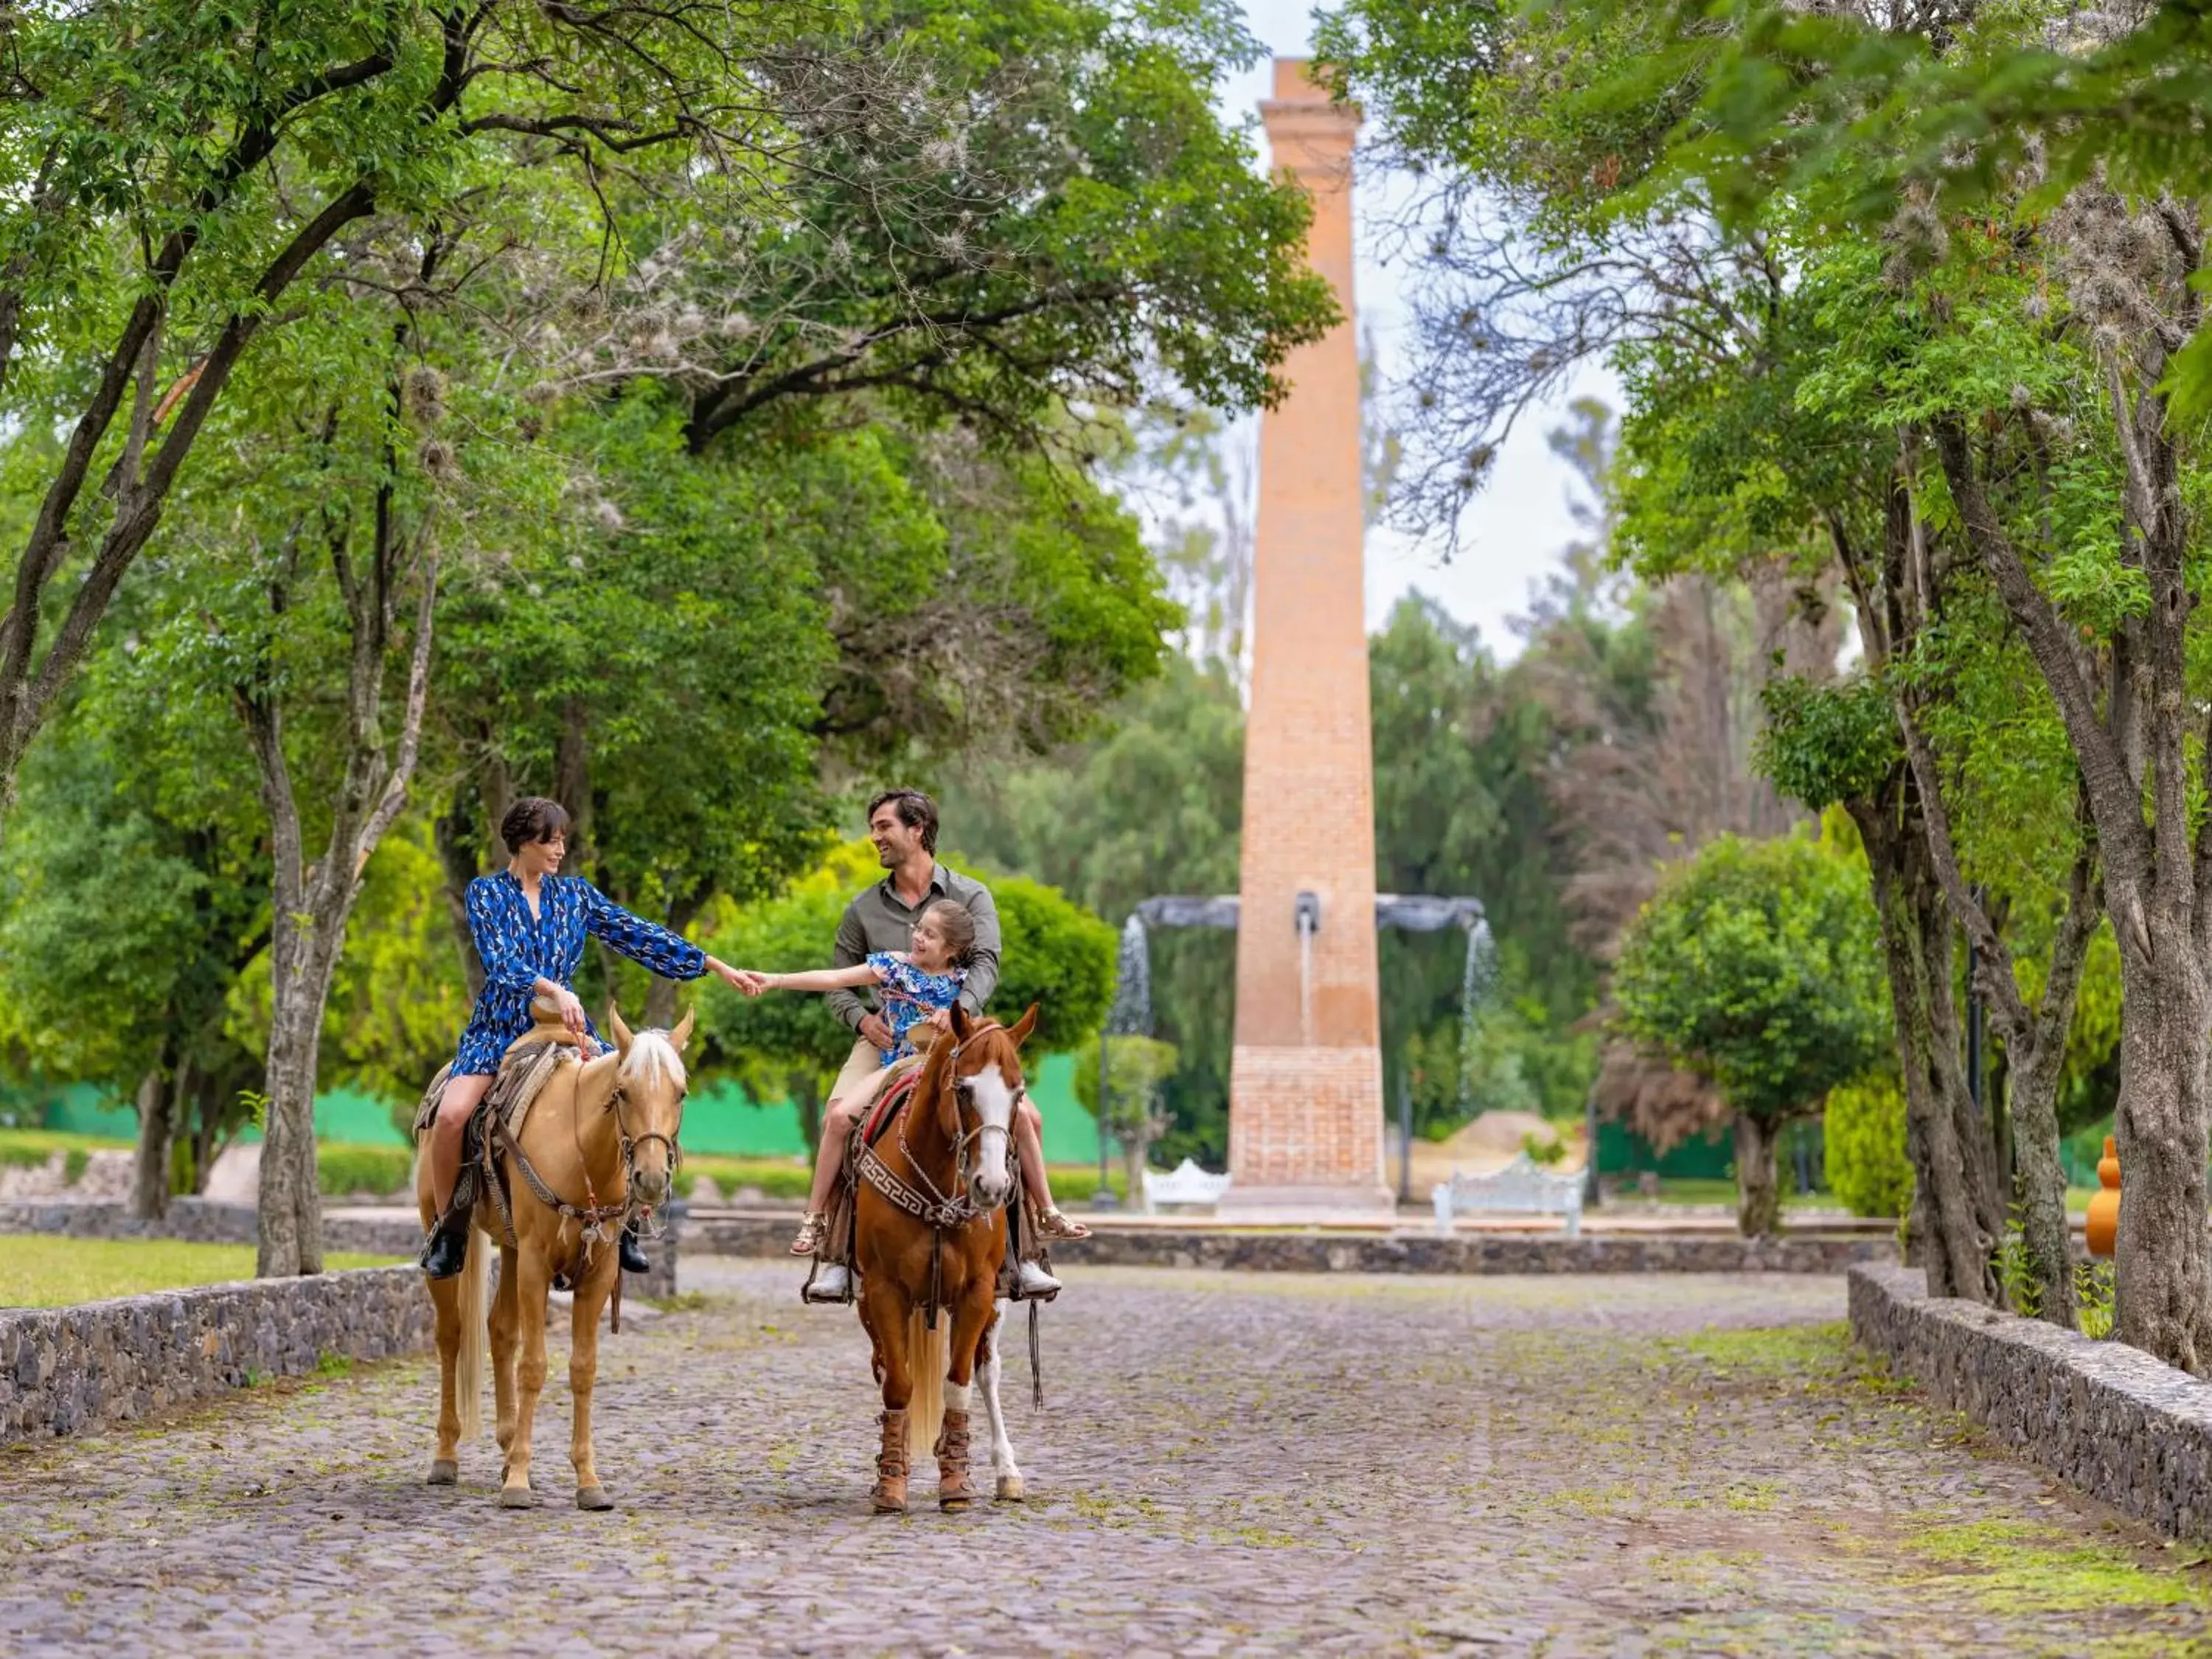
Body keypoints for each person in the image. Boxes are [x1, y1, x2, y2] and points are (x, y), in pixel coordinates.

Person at [420, 796, 749, 1279]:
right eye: (548, 841)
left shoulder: (575, 895)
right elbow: (501, 960)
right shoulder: (485, 893)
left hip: (569, 1031)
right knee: (451, 1116)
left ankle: (632, 1222)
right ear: (520, 843)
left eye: (561, 840)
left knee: (634, 1092)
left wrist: (712, 966)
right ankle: (450, 1229)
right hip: (498, 1029)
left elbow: (637, 933)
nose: (558, 850)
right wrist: (553, 988)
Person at [802, 787, 1090, 1300]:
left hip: (958, 1034)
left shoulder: (970, 895)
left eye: (884, 827)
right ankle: (837, 1258)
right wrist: (862, 1022)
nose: (875, 837)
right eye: (873, 827)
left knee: (1025, 1119)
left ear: (917, 830)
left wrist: (959, 1013)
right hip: (887, 1034)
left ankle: (1024, 1255)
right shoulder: (862, 907)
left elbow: (986, 964)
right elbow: (841, 981)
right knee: (840, 1117)